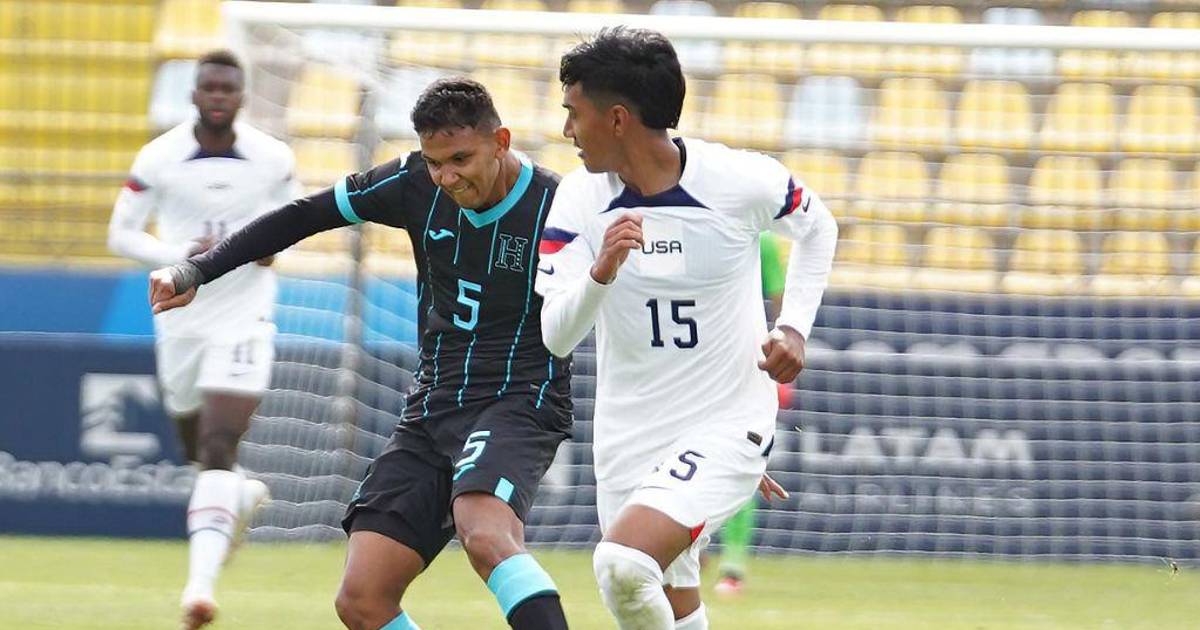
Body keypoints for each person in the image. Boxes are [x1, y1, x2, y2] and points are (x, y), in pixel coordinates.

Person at [148, 77, 573, 630]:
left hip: (518, 400)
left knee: (485, 530)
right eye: (435, 162)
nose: (447, 177)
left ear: (501, 141)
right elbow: (305, 214)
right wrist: (197, 270)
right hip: (434, 406)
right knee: (362, 599)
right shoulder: (413, 181)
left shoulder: (558, 206)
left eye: (461, 159)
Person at [535, 27, 837, 630]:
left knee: (622, 563)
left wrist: (794, 329)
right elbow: (556, 337)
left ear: (616, 119)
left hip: (728, 423)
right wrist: (599, 274)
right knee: (668, 599)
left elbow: (818, 226)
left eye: (574, 113)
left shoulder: (738, 179)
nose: (566, 130)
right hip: (627, 435)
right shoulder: (578, 199)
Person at [106, 49, 295, 630]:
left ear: (242, 96)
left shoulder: (273, 158)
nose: (218, 96)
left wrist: (269, 247)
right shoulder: (159, 157)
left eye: (227, 88)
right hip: (180, 321)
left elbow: (293, 222)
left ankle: (199, 590)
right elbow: (120, 234)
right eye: (209, 87)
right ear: (194, 94)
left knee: (216, 444)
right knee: (199, 454)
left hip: (245, 317)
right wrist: (178, 255)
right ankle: (237, 495)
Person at [713, 233, 788, 597]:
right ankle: (687, 542)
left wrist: (783, 354)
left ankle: (733, 562)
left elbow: (781, 303)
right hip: (693, 362)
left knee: (744, 455)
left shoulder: (764, 241)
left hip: (746, 366)